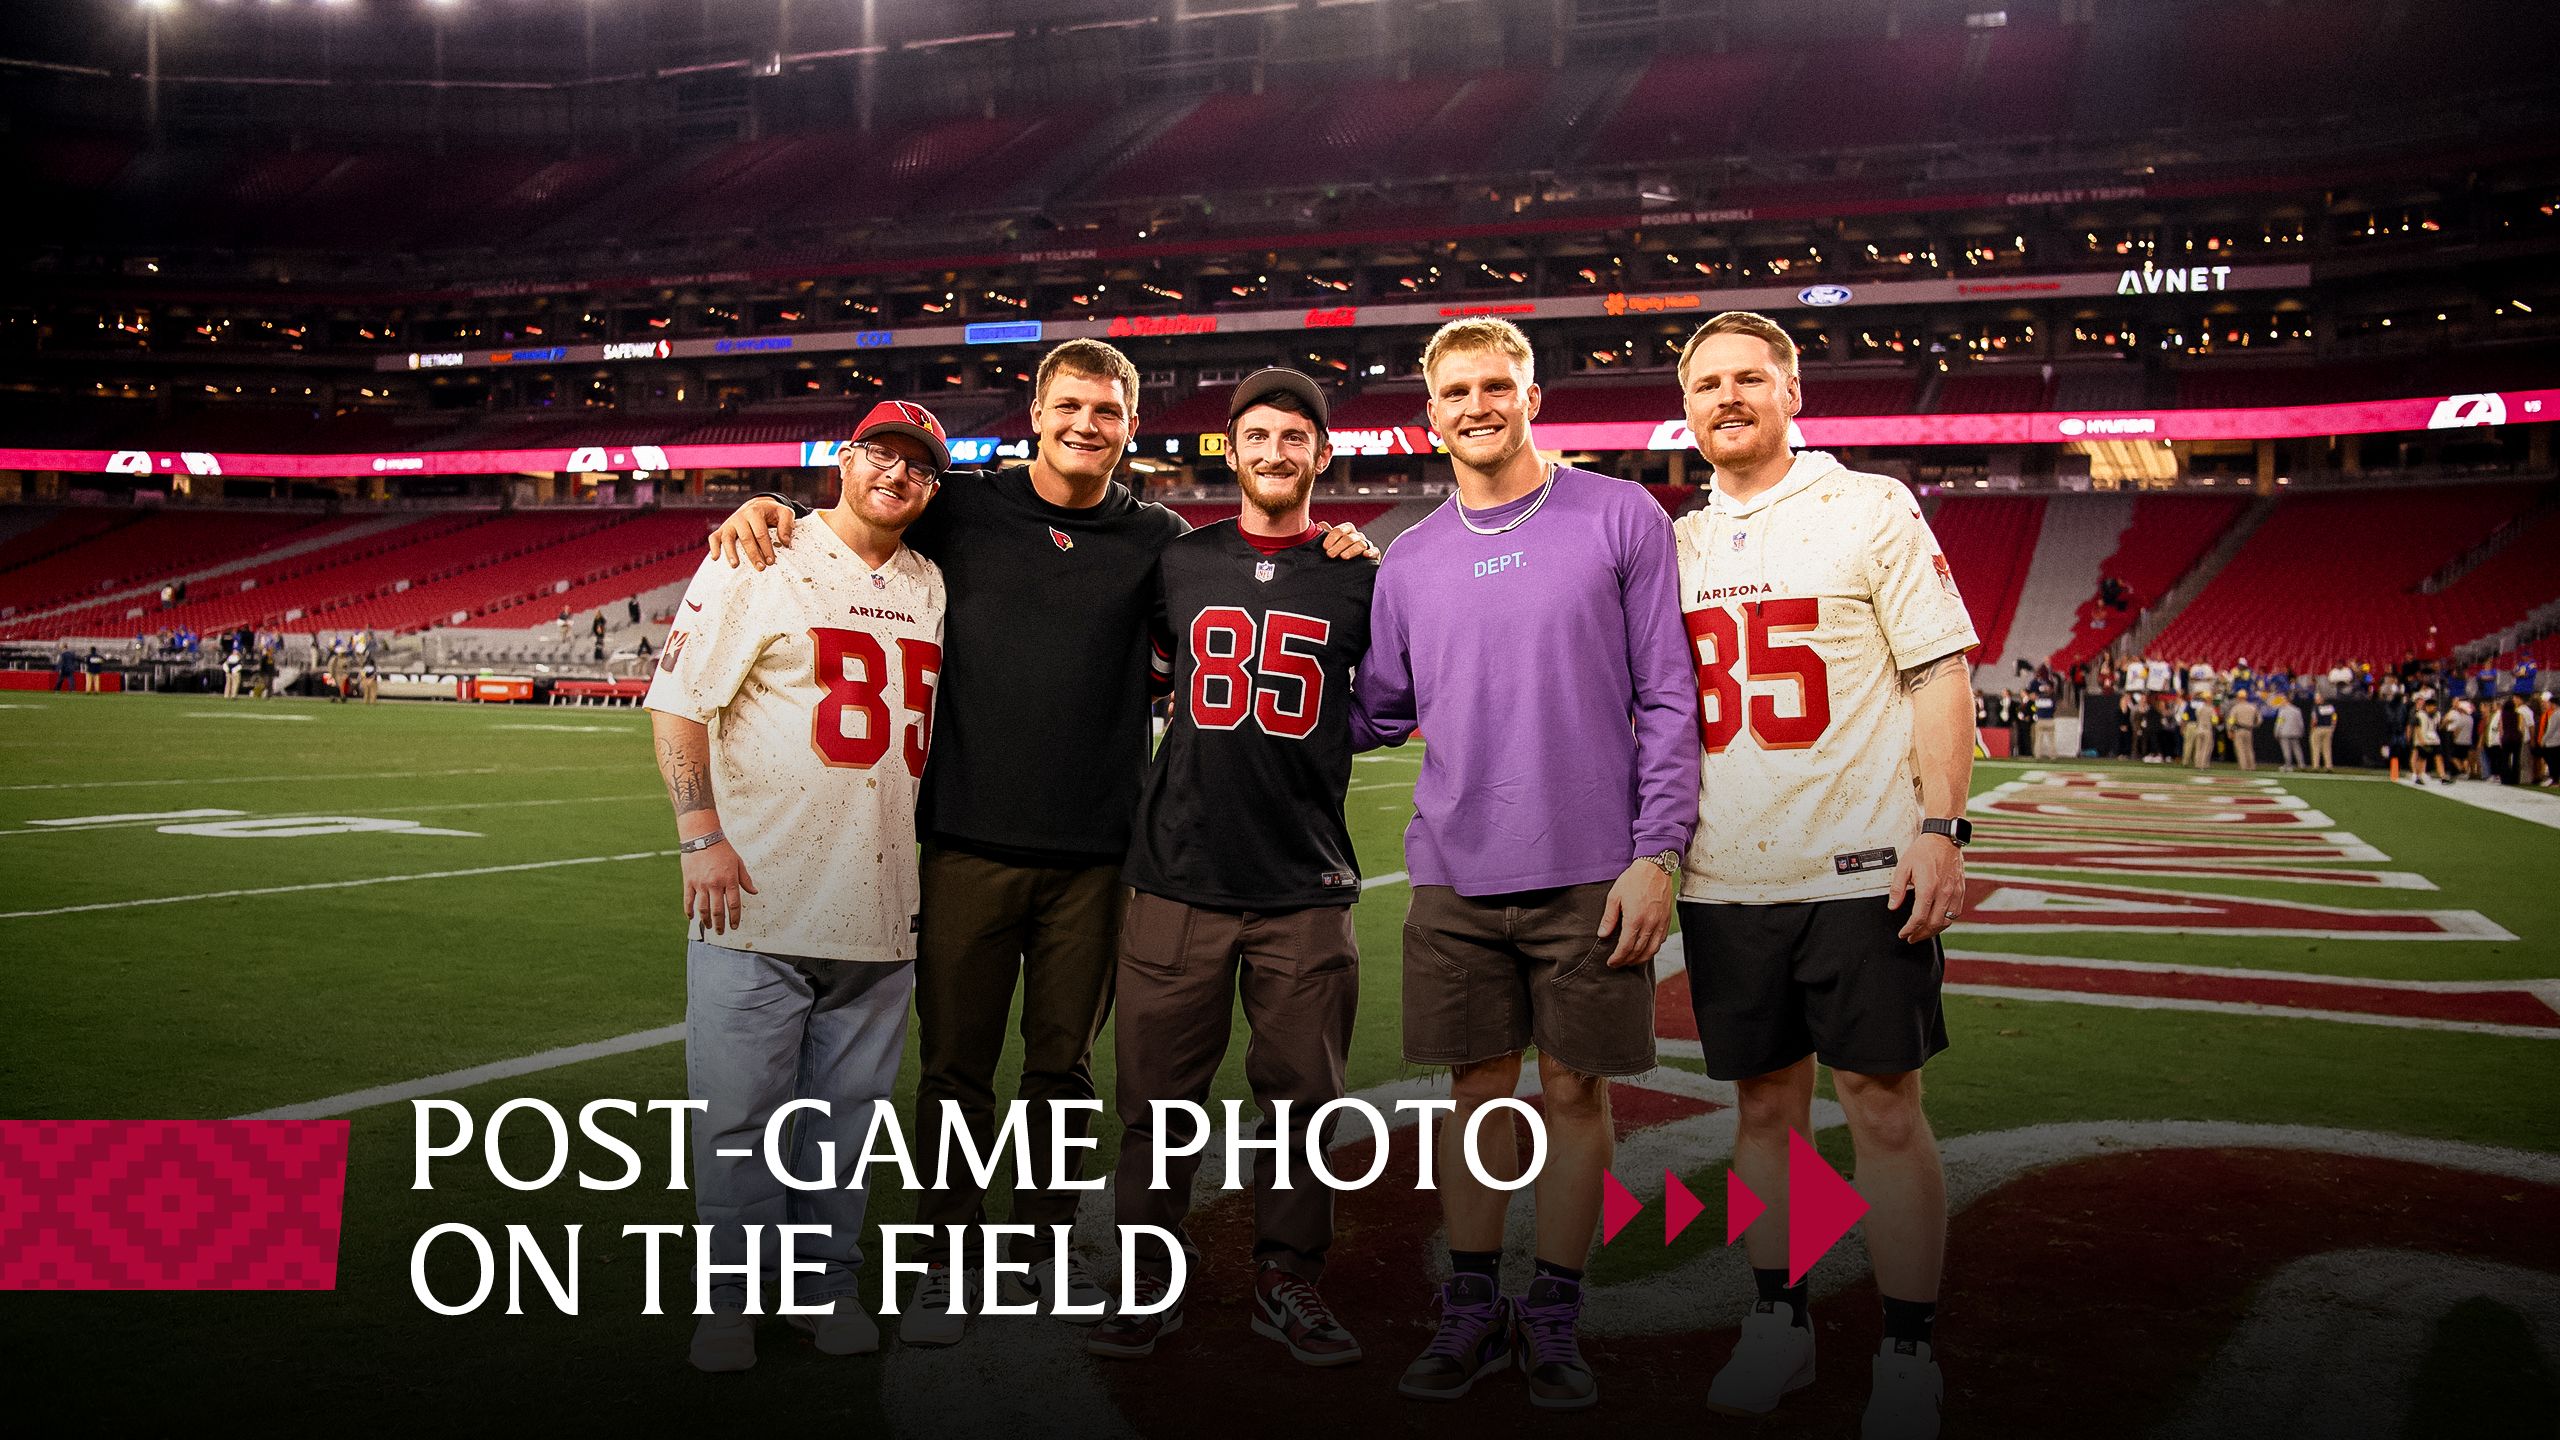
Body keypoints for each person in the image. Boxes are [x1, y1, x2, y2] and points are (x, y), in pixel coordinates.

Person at [705, 345, 1377, 1344]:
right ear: (1034, 411)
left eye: (1106, 411)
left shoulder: (1159, 540)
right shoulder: (964, 508)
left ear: (1131, 427)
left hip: (1102, 855)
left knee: (1061, 1075)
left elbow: (1236, 596)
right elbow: (865, 505)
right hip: (967, 842)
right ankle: (944, 1259)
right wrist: (769, 507)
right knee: (956, 1072)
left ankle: (1043, 1243)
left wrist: (1342, 550)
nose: (1085, 424)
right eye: (1069, 406)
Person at [1352, 317, 1697, 1411]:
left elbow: (1669, 696)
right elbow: (1373, 709)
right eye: (1454, 392)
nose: (1475, 406)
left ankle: (1551, 1308)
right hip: (1452, 870)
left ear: (1532, 397)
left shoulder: (1621, 514)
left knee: (1576, 1091)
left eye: (1495, 385)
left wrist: (1659, 854)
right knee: (1474, 1098)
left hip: (1593, 867)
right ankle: (1469, 1302)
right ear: (1428, 416)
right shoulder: (1406, 559)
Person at [1665, 312, 1976, 1440]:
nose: (1728, 397)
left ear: (1793, 391)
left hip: (1858, 865)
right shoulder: (1679, 542)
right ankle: (1777, 1320)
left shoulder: (1869, 506)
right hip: (1725, 876)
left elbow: (1941, 671)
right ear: (1687, 405)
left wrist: (1943, 825)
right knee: (1762, 1114)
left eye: (1750, 377)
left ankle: (1905, 1352)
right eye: (1707, 383)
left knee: (1883, 1111)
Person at [645, 400, 950, 1374]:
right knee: (739, 1119)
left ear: (935, 486)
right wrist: (698, 835)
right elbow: (679, 701)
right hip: (757, 899)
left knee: (844, 1131)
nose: (894, 475)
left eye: (916, 466)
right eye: (877, 455)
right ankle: (727, 1302)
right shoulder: (758, 553)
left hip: (878, 904)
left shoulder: (934, 582)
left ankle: (826, 1288)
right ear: (843, 462)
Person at [1089, 371, 1373, 1368]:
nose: (1274, 452)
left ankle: (1285, 1277)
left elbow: (1389, 702)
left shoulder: (1358, 573)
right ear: (1231, 447)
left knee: (1301, 1109)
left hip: (1305, 882)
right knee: (1156, 1109)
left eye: (1294, 438)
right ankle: (1147, 1279)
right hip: (1175, 877)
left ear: (1320, 456)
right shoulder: (1178, 562)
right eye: (1256, 435)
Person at [2225, 690, 2260, 772]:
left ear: (2238, 697)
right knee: (2249, 749)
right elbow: (2259, 720)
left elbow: (2231, 720)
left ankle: (2243, 767)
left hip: (2239, 730)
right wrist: (2253, 725)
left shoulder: (2236, 708)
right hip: (2249, 730)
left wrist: (2229, 730)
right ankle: (2251, 766)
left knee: (2240, 749)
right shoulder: (2252, 707)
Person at [2183, 691, 2218, 770]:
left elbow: (2185, 715)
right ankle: (2202, 764)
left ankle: (2189, 762)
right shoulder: (2210, 708)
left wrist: (2183, 725)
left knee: (2192, 746)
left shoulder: (2194, 705)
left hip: (2195, 726)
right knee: (2205, 747)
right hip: (2205, 728)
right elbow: (2214, 720)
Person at [2310, 692, 2339, 771]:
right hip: (2328, 728)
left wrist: (2312, 728)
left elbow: (2314, 719)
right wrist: (2332, 727)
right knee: (2327, 748)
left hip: (2318, 728)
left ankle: (2316, 766)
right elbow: (2334, 717)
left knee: (2316, 748)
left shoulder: (2316, 707)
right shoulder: (2330, 706)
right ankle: (2328, 766)